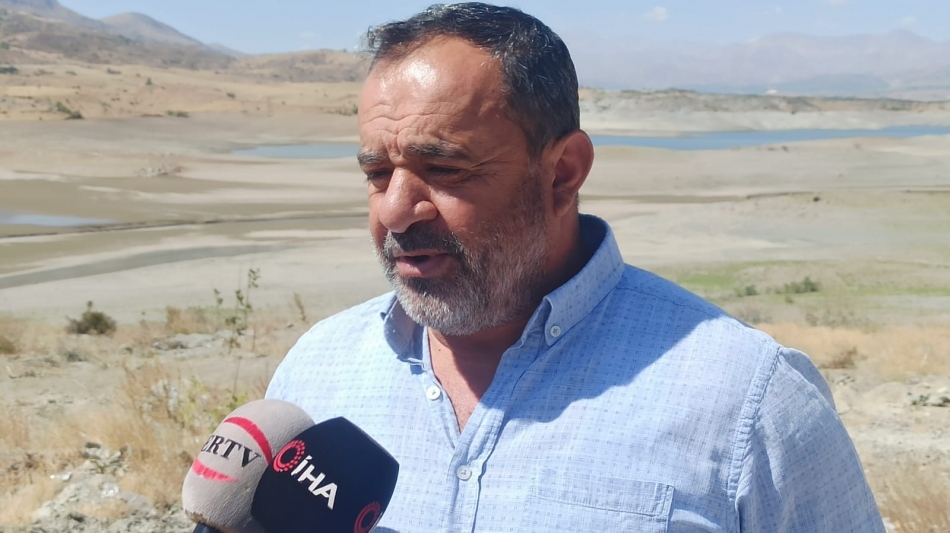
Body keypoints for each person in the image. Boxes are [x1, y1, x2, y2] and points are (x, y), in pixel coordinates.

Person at [266, 3, 885, 531]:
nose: (396, 211)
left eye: (445, 169)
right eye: (377, 173)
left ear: (563, 173)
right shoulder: (318, 372)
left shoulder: (749, 399)